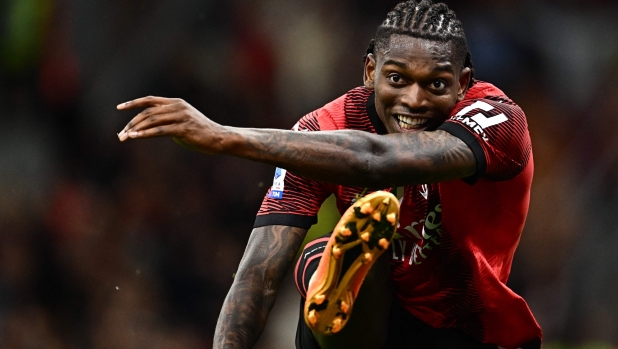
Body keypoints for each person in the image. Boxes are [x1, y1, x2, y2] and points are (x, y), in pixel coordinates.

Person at [116, 1, 542, 348]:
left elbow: (380, 158)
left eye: (436, 85)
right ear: (370, 72)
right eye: (397, 79)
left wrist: (223, 136)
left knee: (338, 250)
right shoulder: (324, 129)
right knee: (319, 258)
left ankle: (340, 277)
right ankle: (337, 283)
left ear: (464, 83)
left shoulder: (497, 119)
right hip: (368, 327)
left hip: (468, 332)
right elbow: (258, 274)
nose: (414, 100)